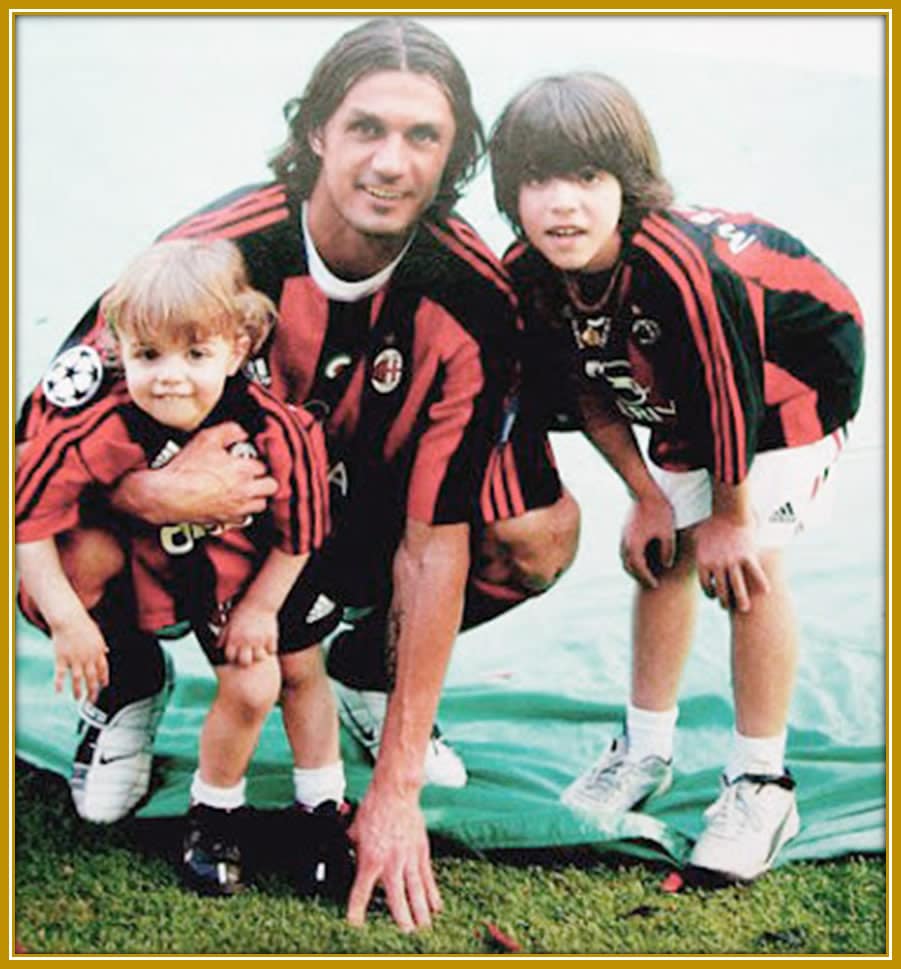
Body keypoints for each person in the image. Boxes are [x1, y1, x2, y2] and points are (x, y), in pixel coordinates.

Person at [17, 19, 578, 930]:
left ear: (453, 156)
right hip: (196, 524)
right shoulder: (213, 252)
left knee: (536, 534)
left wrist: (394, 790)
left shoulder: (472, 293)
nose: (390, 162)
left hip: (343, 521)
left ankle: (367, 668)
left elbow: (436, 543)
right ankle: (124, 681)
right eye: (366, 128)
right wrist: (146, 491)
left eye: (422, 137)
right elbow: (34, 449)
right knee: (55, 552)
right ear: (317, 130)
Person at [490, 72, 864, 883]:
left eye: (587, 178)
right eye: (536, 179)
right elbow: (589, 383)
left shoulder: (678, 268)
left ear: (628, 183)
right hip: (685, 384)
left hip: (791, 373)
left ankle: (762, 778)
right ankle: (645, 749)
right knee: (664, 555)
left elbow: (731, 391)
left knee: (746, 564)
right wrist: (646, 496)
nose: (561, 203)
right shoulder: (528, 269)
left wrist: (729, 515)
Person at [16, 238, 353, 898]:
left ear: (239, 345)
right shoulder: (103, 425)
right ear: (119, 348)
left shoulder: (278, 429)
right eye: (148, 354)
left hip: (258, 575)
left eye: (195, 353)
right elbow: (28, 520)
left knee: (288, 675)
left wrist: (260, 608)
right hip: (174, 573)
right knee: (248, 684)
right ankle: (200, 793)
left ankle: (312, 807)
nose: (170, 375)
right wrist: (68, 622)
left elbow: (302, 534)